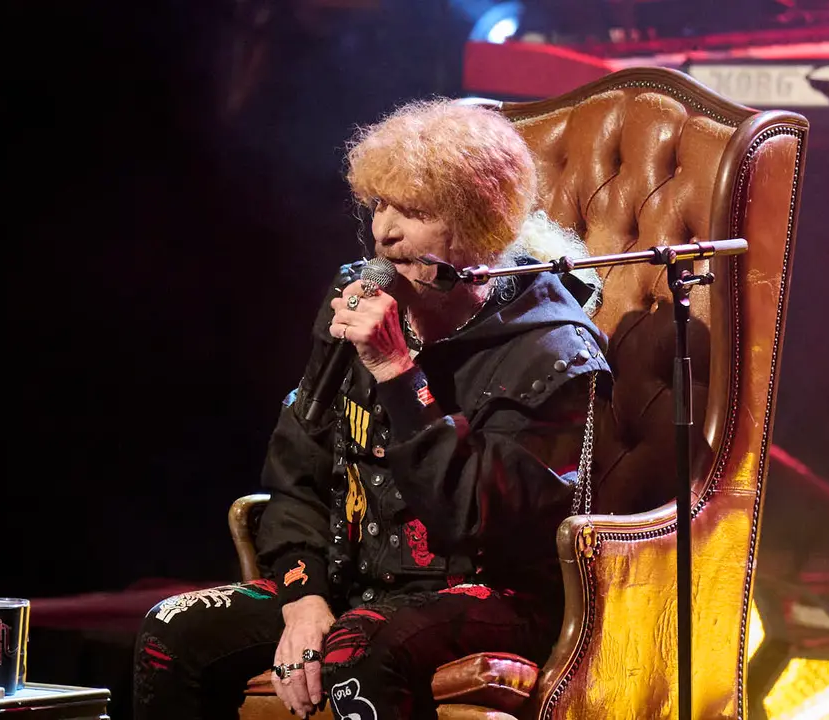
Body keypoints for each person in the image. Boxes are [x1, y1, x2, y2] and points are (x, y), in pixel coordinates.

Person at [134, 99, 611, 719]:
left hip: (491, 593)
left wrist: (395, 370)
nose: (383, 231)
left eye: (411, 212)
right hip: (357, 582)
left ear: (477, 229)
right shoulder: (354, 299)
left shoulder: (551, 351)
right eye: (378, 204)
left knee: (358, 653)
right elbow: (297, 470)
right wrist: (303, 596)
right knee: (172, 630)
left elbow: (474, 520)